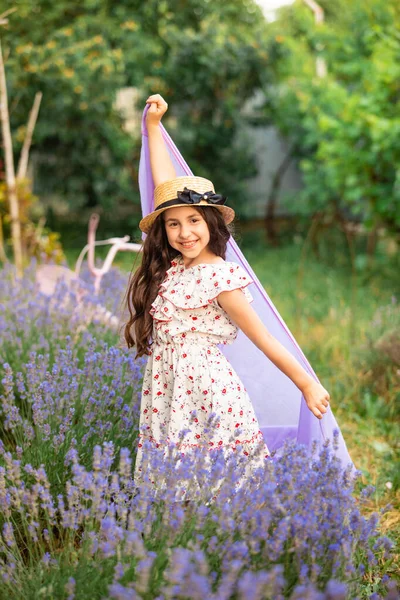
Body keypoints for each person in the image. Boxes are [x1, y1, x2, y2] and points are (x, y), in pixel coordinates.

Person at [124, 94, 331, 501]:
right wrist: (152, 129)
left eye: (194, 221)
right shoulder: (173, 268)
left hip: (207, 392)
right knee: (176, 477)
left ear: (211, 222)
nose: (185, 232)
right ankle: (179, 543)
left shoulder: (219, 278)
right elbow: (166, 190)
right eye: (174, 225)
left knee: (218, 480)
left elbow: (264, 338)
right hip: (168, 391)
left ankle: (227, 541)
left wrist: (306, 383)